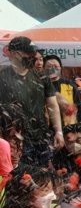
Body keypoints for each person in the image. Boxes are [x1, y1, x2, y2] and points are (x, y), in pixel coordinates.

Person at [0, 37, 63, 165]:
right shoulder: (2, 77)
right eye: (29, 53)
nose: (33, 57)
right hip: (14, 140)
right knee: (19, 179)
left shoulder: (41, 76)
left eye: (34, 53)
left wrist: (59, 131)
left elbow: (53, 105)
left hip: (41, 137)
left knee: (41, 177)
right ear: (14, 53)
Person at [42, 55, 80, 129]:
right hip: (47, 127)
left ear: (60, 68)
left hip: (68, 128)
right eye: (49, 66)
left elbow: (79, 107)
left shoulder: (69, 84)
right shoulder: (40, 85)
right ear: (44, 68)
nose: (53, 69)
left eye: (56, 66)